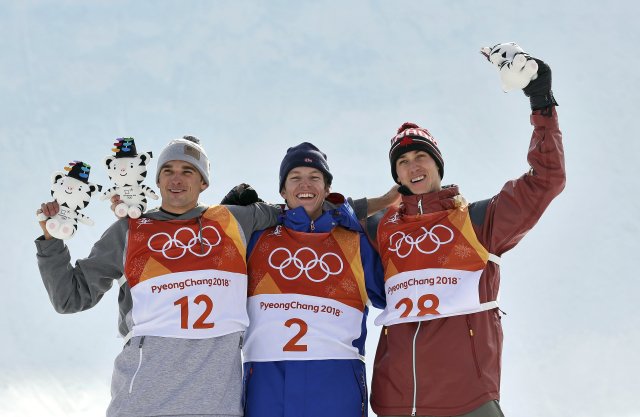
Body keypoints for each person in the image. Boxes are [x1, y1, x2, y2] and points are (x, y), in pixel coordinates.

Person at [35, 136, 397, 417]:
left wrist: (378, 203)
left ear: (204, 181)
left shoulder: (234, 220)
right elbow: (71, 297)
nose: (177, 179)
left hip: (216, 402)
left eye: (188, 171)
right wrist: (51, 242)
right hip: (142, 398)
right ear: (157, 179)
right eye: (169, 171)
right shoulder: (131, 230)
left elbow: (304, 206)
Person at [366, 54, 565, 416]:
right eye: (403, 161)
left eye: (421, 156)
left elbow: (546, 181)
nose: (413, 166)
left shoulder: (476, 220)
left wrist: (541, 103)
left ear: (438, 164)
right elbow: (320, 222)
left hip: (467, 399)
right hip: (395, 402)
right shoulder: (380, 227)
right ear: (397, 175)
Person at [240, 143, 386, 417]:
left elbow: (398, 295)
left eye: (314, 177)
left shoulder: (355, 242)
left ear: (327, 189)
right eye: (295, 177)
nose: (304, 184)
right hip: (267, 389)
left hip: (336, 392)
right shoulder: (257, 238)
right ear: (282, 190)